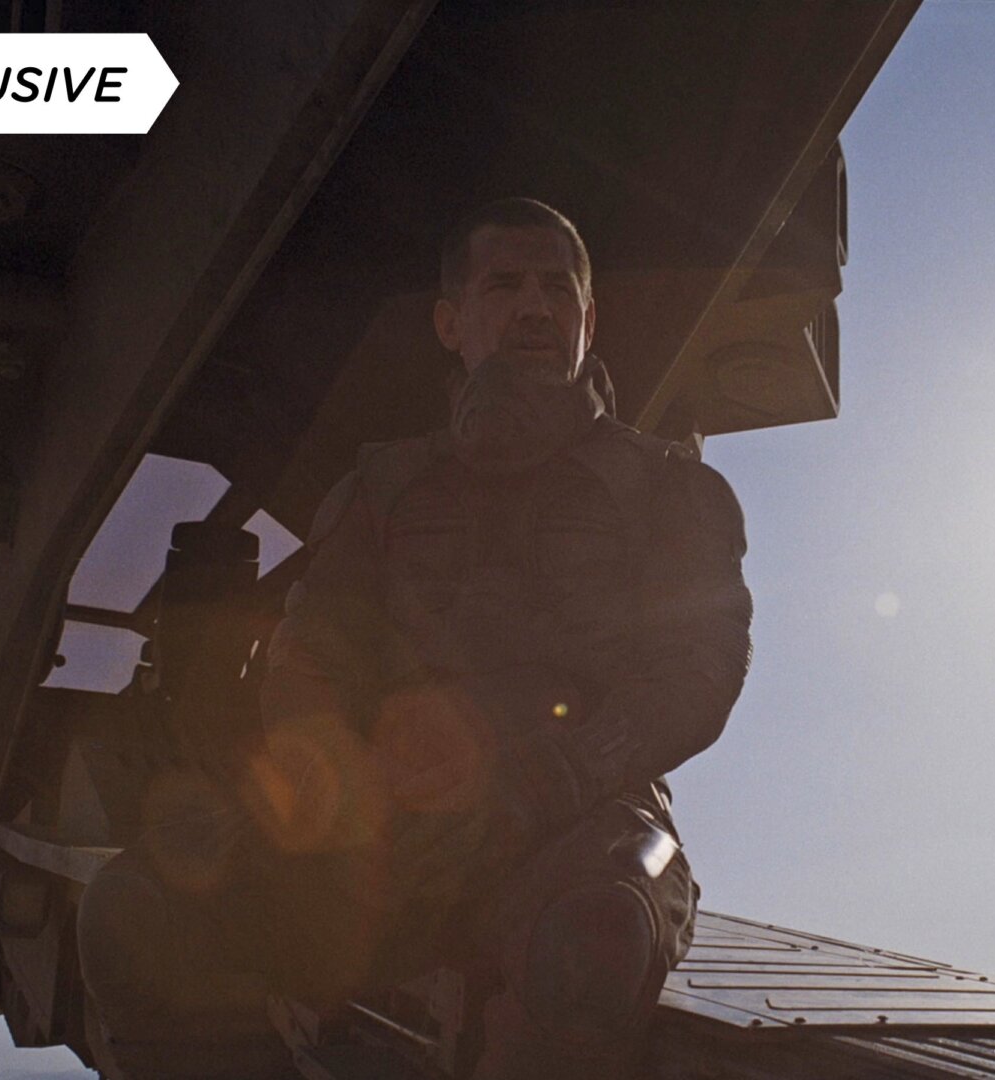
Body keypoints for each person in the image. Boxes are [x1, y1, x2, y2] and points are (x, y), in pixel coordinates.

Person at [78, 198, 753, 1080]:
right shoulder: (383, 487)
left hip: (581, 822)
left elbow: (699, 669)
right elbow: (311, 660)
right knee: (134, 915)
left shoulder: (670, 488)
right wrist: (348, 783)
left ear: (590, 320)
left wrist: (553, 777)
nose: (535, 307)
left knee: (593, 945)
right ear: (450, 322)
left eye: (558, 290)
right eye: (504, 286)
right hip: (391, 827)